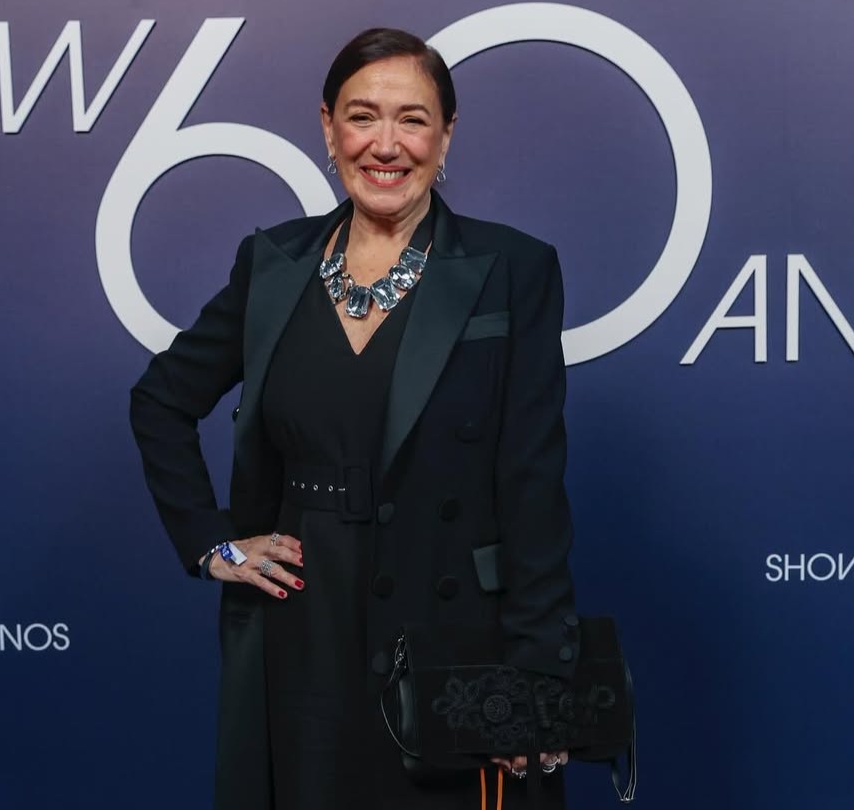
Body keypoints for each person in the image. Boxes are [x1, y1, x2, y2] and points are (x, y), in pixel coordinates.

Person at [130, 27, 580, 810]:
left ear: (446, 134)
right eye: (362, 116)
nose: (386, 144)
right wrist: (211, 542)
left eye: (413, 119)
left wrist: (538, 675)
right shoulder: (273, 263)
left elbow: (533, 486)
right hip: (302, 633)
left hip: (456, 641)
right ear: (328, 126)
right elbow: (160, 399)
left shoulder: (513, 269)